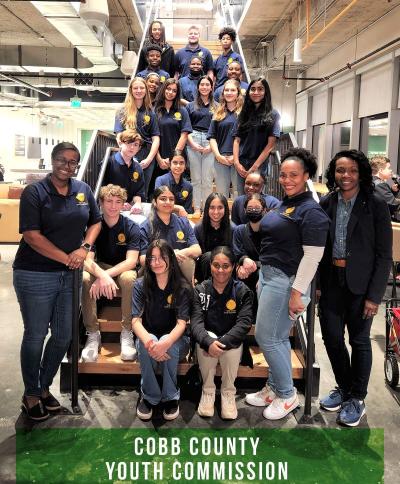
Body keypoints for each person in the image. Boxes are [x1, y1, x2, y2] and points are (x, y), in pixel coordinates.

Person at [13, 142, 101, 421]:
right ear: (52, 161)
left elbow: (96, 221)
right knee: (36, 335)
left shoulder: (83, 191)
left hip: (70, 276)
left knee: (64, 335)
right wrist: (67, 258)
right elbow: (31, 235)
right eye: (62, 160)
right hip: (35, 273)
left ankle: (42, 388)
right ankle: (31, 394)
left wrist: (84, 248)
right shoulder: (35, 192)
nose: (67, 165)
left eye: (73, 161)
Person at [245, 148, 329, 420]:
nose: (287, 179)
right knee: (276, 338)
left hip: (287, 282)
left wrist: (297, 293)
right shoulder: (287, 204)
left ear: (307, 175)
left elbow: (313, 256)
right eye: (283, 175)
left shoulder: (311, 211)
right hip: (269, 277)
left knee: (267, 338)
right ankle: (273, 387)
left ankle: (287, 394)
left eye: (294, 175)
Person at [318, 150, 392, 427]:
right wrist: (317, 285)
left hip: (362, 286)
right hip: (331, 282)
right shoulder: (327, 203)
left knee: (359, 341)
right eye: (340, 170)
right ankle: (345, 389)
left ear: (360, 172)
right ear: (333, 173)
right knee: (332, 338)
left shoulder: (375, 204)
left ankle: (357, 398)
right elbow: (320, 248)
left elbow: (384, 255)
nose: (345, 176)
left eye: (351, 170)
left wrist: (375, 296)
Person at [132, 239, 192, 421]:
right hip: (150, 339)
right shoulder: (140, 285)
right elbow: (135, 321)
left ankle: (170, 397)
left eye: (161, 258)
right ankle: (149, 396)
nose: (156, 262)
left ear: (170, 259)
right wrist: (152, 344)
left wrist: (164, 343)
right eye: (152, 258)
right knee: (145, 342)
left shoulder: (182, 287)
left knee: (170, 342)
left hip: (177, 341)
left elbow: (182, 324)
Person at [191, 246, 253, 419]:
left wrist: (223, 342)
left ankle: (228, 393)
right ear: (210, 265)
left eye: (225, 266)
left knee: (233, 345)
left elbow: (244, 324)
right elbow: (195, 323)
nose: (220, 270)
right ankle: (208, 390)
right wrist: (208, 342)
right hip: (207, 343)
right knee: (205, 339)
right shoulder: (200, 290)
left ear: (233, 266)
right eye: (216, 265)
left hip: (231, 342)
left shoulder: (243, 292)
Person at [81, 185, 140, 363]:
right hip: (101, 268)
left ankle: (127, 332)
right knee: (83, 278)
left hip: (122, 269)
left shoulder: (131, 226)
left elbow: (131, 261)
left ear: (123, 204)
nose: (113, 206)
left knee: (130, 278)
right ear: (100, 203)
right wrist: (102, 276)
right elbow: (87, 259)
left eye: (118, 202)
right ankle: (92, 333)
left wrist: (105, 275)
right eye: (109, 201)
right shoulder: (94, 227)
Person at [139, 186, 201, 283]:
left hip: (178, 270)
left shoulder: (183, 222)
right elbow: (143, 259)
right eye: (163, 199)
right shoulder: (146, 226)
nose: (168, 202)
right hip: (154, 270)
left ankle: (185, 295)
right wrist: (170, 255)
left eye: (171, 199)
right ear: (155, 202)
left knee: (187, 263)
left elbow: (197, 250)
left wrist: (181, 253)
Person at [114, 77, 160, 200]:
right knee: (123, 191)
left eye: (141, 88)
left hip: (146, 156)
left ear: (146, 90)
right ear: (131, 90)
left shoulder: (151, 113)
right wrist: (127, 153)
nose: (138, 90)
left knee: (142, 192)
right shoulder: (122, 111)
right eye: (135, 88)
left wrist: (149, 159)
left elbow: (156, 138)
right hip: (127, 155)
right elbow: (119, 134)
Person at [233, 78, 281, 195]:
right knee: (241, 196)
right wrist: (236, 162)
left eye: (260, 89)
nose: (256, 92)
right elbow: (236, 140)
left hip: (259, 164)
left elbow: (270, 145)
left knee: (257, 198)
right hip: (242, 164)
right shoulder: (243, 114)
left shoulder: (273, 114)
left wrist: (255, 166)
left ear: (266, 92)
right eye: (253, 89)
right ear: (248, 91)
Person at [186, 75, 216, 215]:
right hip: (194, 139)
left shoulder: (217, 106)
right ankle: (197, 208)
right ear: (198, 87)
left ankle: (207, 209)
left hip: (211, 141)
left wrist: (212, 146)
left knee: (208, 179)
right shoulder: (190, 106)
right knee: (196, 178)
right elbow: (186, 127)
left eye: (207, 84)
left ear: (211, 87)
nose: (204, 87)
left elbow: (218, 127)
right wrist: (192, 143)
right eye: (202, 84)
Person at [207, 79, 243, 199]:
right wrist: (218, 156)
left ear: (238, 93)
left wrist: (235, 157)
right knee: (221, 195)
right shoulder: (218, 113)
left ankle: (237, 218)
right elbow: (212, 137)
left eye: (232, 90)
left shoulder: (244, 114)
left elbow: (247, 138)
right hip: (220, 159)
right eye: (226, 90)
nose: (229, 93)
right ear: (222, 93)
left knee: (239, 194)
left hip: (239, 160)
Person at [232, 193, 267, 316]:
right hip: (245, 272)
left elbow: (273, 257)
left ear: (264, 210)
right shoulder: (239, 230)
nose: (253, 210)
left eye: (256, 208)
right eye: (249, 208)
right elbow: (237, 253)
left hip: (265, 272)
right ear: (244, 210)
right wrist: (243, 261)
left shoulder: (271, 231)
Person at [153, 78, 192, 187]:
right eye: (168, 89)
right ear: (163, 89)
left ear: (177, 93)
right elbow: (152, 137)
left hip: (178, 159)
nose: (170, 92)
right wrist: (159, 159)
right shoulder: (154, 110)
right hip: (159, 159)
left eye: (174, 91)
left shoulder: (182, 110)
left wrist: (173, 158)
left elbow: (184, 135)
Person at [194, 193, 234, 282]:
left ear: (226, 209)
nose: (216, 212)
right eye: (212, 207)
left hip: (226, 270)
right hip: (204, 270)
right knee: (209, 256)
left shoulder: (233, 229)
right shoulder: (198, 228)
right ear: (207, 209)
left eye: (220, 208)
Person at [102, 130, 145, 214]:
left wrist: (137, 203)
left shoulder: (138, 168)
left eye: (136, 145)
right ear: (120, 143)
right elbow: (102, 191)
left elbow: (138, 192)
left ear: (139, 148)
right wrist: (118, 203)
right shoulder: (108, 163)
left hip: (129, 209)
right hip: (109, 208)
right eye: (129, 143)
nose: (132, 147)